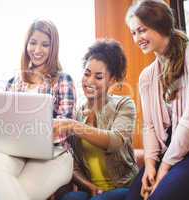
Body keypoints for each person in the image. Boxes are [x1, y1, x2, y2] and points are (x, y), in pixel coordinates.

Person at [123, 0, 189, 200]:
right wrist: (149, 165)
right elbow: (148, 126)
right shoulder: (146, 77)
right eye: (133, 33)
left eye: (141, 30)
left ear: (161, 26)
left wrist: (164, 168)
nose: (137, 38)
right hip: (169, 155)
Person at [0, 19, 76, 200]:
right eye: (33, 43)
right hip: (16, 152)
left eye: (45, 44)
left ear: (53, 47)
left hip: (54, 155)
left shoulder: (63, 80)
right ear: (26, 44)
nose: (37, 50)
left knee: (14, 191)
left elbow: (65, 127)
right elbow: (3, 122)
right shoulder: (13, 82)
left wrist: (33, 130)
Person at [53, 39, 138, 200]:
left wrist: (73, 126)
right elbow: (73, 162)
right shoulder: (77, 113)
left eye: (99, 77)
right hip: (93, 190)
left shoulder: (124, 104)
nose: (89, 81)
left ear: (112, 80)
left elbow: (115, 141)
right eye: (86, 74)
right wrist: (89, 186)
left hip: (123, 187)